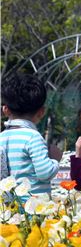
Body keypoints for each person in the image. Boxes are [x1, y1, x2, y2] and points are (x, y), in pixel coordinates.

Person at [0, 73, 61, 201]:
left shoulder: (2, 137)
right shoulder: (33, 137)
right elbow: (45, 172)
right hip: (34, 210)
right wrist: (55, 159)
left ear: (6, 110)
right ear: (41, 112)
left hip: (9, 209)